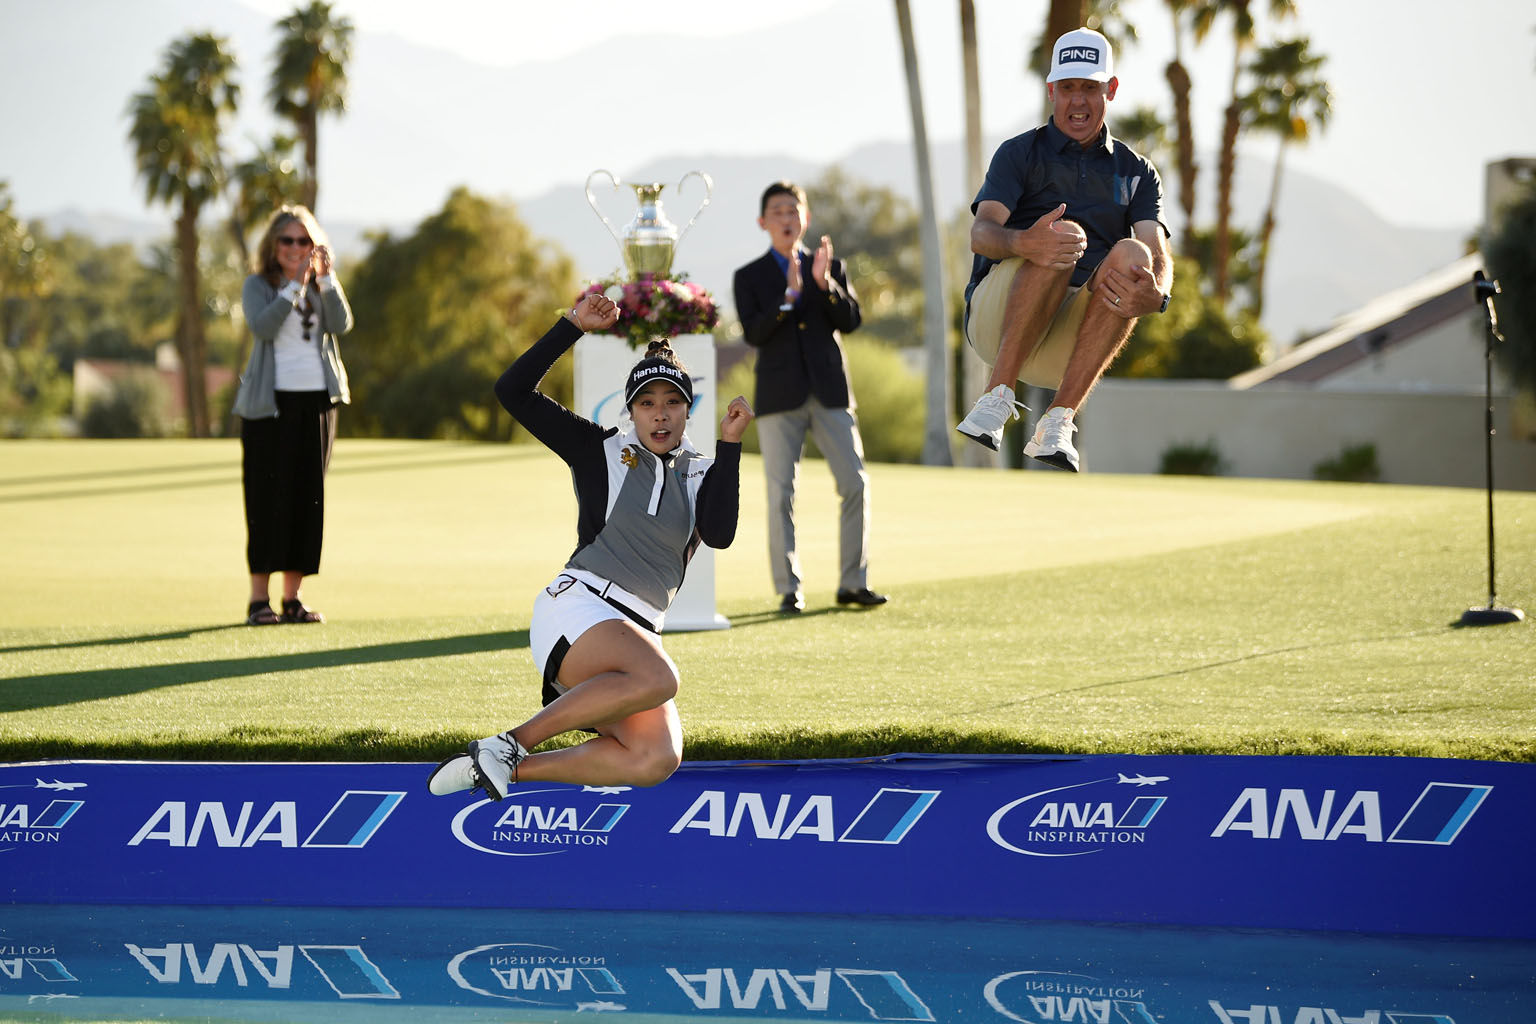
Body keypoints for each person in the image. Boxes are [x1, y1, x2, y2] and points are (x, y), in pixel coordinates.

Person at [428, 293, 753, 797]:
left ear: (690, 410)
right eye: (647, 404)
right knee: (662, 677)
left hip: (631, 641)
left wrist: (730, 445)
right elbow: (512, 390)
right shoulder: (598, 449)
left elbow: (721, 533)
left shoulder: (704, 473)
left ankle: (498, 768)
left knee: (655, 757)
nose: (660, 415)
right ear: (631, 411)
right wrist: (572, 325)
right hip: (578, 608)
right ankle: (512, 743)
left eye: (672, 403)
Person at [955, 27, 1173, 471]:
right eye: (1068, 88)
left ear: (1110, 90)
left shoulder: (1136, 171)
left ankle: (1058, 421)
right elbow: (982, 234)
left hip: (1070, 342)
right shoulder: (1019, 153)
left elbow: (1155, 252)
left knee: (1133, 256)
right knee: (1065, 235)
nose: (1078, 101)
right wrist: (1023, 241)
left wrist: (1159, 294)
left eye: (1090, 88)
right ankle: (995, 399)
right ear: (1051, 90)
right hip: (997, 324)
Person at [732, 181, 887, 615]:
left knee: (855, 483)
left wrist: (823, 285)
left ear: (806, 218)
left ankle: (853, 583)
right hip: (779, 396)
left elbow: (851, 320)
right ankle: (788, 589)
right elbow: (753, 332)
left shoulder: (830, 265)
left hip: (831, 393)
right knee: (781, 493)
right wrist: (787, 299)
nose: (786, 218)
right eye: (777, 212)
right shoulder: (749, 276)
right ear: (763, 223)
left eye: (792, 210)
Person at [232, 205, 355, 625]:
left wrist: (325, 278)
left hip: (316, 402)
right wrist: (292, 288)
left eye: (304, 241)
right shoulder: (258, 285)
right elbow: (262, 327)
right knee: (267, 500)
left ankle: (292, 598)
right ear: (273, 245)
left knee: (307, 499)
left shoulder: (322, 285)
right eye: (287, 240)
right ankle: (257, 600)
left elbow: (341, 323)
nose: (295, 248)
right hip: (269, 405)